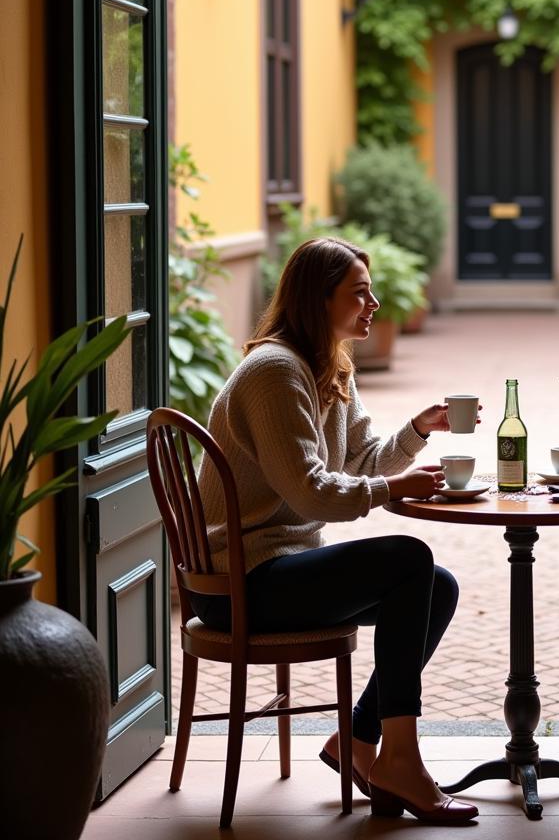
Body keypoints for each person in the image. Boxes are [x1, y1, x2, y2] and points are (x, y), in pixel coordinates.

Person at [194, 237, 478, 824]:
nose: (374, 302)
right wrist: (393, 492)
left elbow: (360, 460)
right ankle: (400, 760)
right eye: (359, 292)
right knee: (408, 560)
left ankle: (356, 742)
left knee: (437, 585)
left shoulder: (328, 366)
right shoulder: (275, 372)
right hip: (240, 580)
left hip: (277, 568)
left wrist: (416, 431)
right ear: (317, 300)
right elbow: (311, 490)